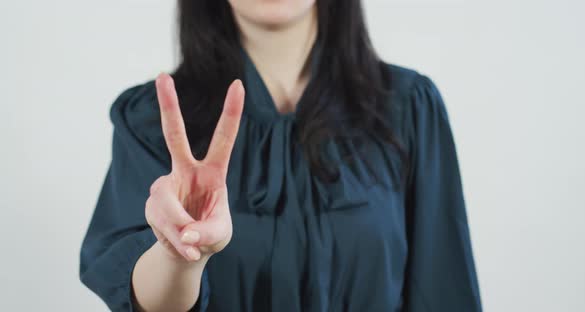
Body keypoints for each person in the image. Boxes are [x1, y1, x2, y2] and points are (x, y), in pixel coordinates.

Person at [79, 0, 482, 311]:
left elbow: (443, 290)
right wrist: (181, 253)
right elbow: (143, 302)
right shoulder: (157, 122)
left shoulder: (408, 107)